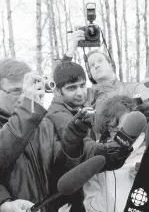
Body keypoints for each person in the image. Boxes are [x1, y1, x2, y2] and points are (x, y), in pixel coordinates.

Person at [0, 59, 88, 212]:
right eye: (17, 91)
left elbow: (60, 174)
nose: (24, 98)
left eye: (27, 90)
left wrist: (71, 143)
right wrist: (28, 111)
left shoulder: (43, 123)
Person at [47, 61, 133, 212]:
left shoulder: (82, 107)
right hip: (66, 199)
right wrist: (101, 153)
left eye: (82, 85)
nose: (80, 92)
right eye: (71, 88)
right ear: (59, 91)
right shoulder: (57, 113)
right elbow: (83, 143)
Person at [63, 32, 149, 132]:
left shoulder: (133, 88)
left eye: (100, 61)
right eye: (91, 65)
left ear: (111, 64)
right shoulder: (85, 96)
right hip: (99, 151)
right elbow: (62, 87)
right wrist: (70, 50)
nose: (96, 65)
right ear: (90, 73)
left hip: (134, 149)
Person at [82, 95, 149, 212]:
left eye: (126, 129)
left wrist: (145, 181)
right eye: (115, 130)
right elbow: (91, 197)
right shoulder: (100, 152)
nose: (120, 136)